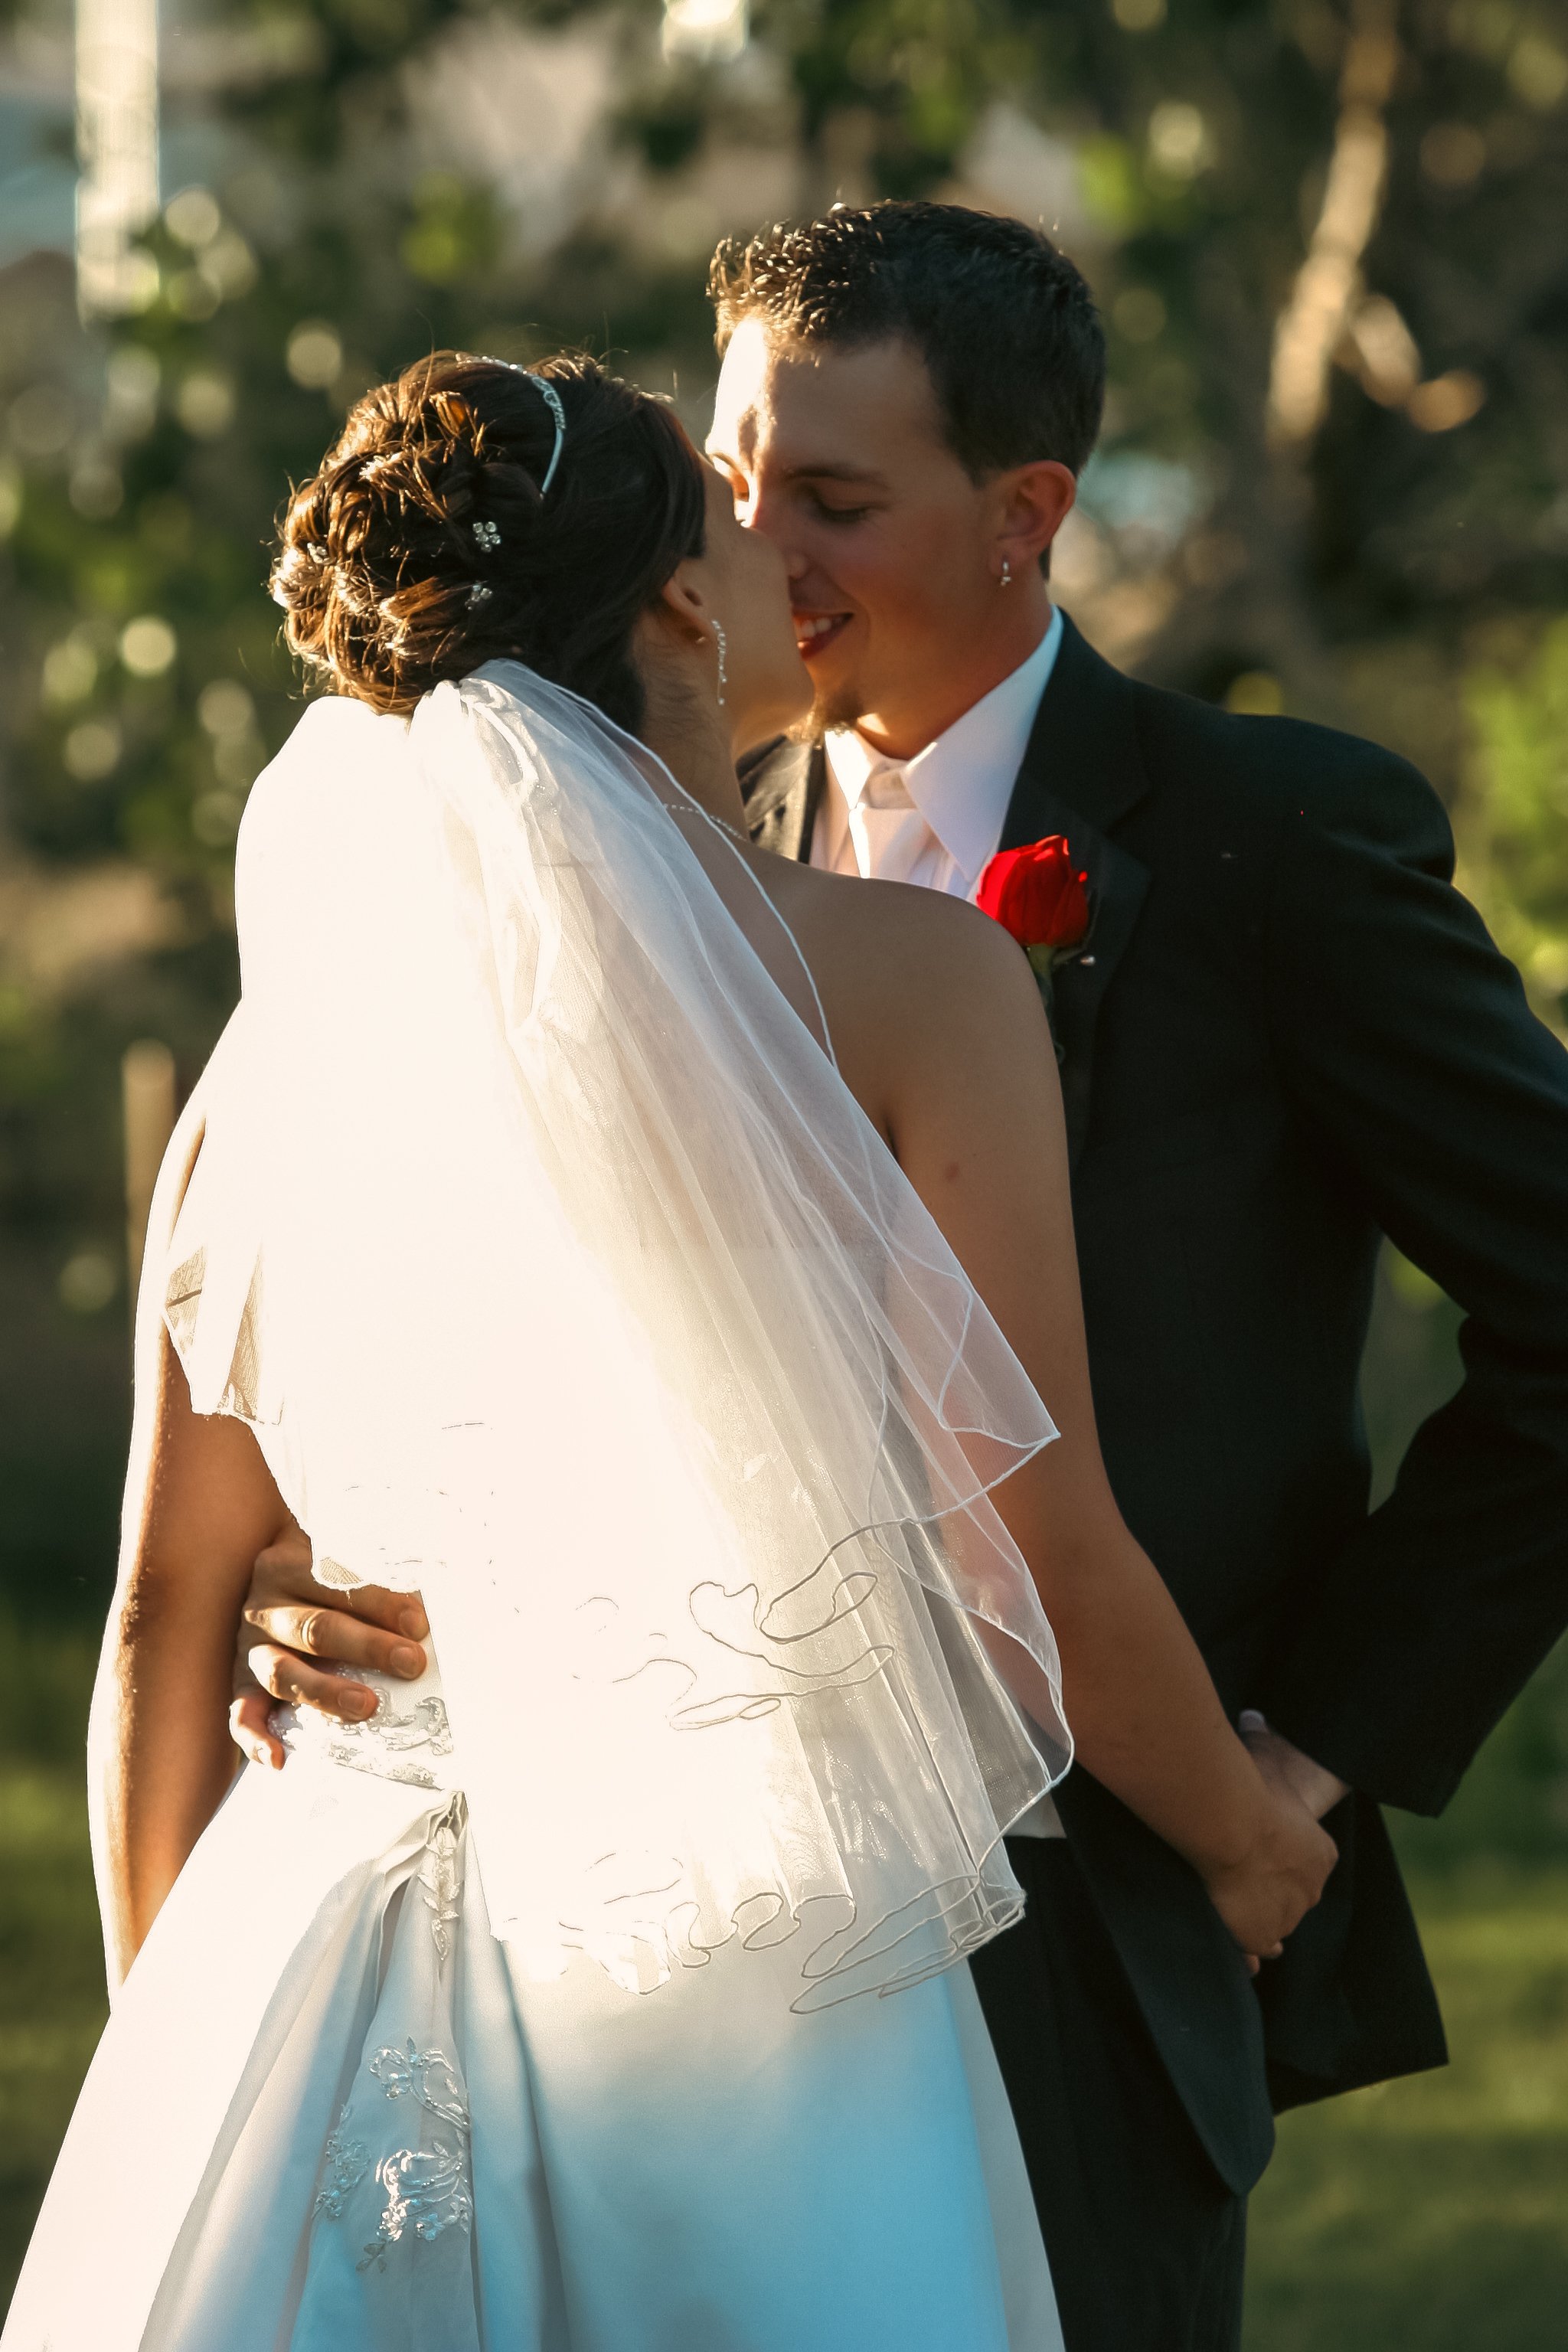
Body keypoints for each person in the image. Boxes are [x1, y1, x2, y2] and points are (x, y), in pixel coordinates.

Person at [239, 201, 1568, 2352]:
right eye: (742, 485)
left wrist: (1306, 1758)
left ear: (1027, 513)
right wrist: (338, 1570)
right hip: (668, 1955)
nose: (761, 553)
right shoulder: (606, 866)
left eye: (836, 500)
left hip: (1102, 1915)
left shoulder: (1268, 846)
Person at [3, 351, 1332, 2352]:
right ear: (685, 610)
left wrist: (186, 2053)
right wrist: (1247, 1842)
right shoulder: (907, 990)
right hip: (753, 1980)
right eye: (731, 511)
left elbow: (161, 1606)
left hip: (322, 1913)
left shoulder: (273, 1067)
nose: (781, 541)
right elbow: (1029, 1552)